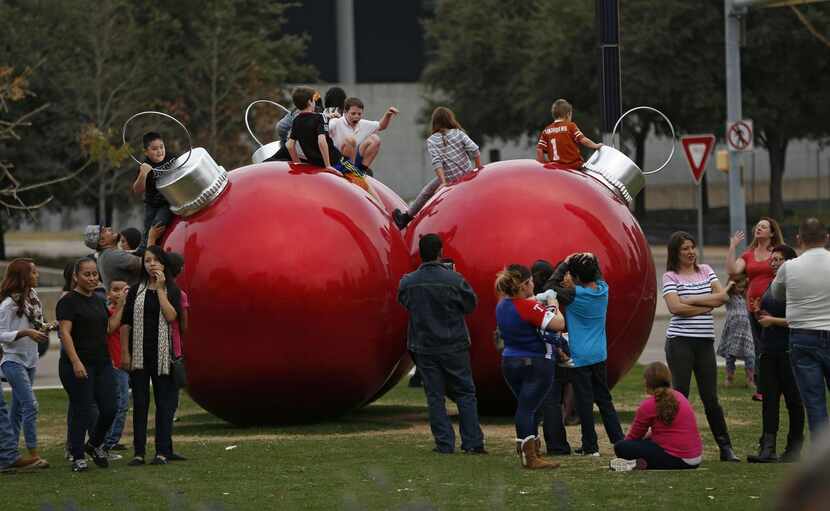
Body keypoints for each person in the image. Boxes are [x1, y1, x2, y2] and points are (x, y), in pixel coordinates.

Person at [397, 233, 484, 455]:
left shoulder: (408, 282)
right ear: (440, 253)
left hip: (424, 346)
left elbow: (403, 301)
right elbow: (470, 305)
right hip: (454, 344)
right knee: (465, 393)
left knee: (434, 396)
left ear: (421, 254)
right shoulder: (455, 280)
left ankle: (444, 443)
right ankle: (473, 442)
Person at [662, 231, 740, 462]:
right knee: (681, 396)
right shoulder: (670, 276)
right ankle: (674, 446)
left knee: (711, 398)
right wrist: (706, 306)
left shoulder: (706, 270)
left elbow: (723, 298)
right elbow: (675, 309)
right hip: (679, 342)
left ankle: (726, 448)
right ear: (676, 253)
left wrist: (690, 300)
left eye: (692, 247)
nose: (690, 252)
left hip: (704, 342)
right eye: (685, 249)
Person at [495, 264, 566, 469]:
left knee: (527, 406)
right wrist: (553, 303)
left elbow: (523, 308)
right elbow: (558, 324)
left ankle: (530, 449)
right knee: (528, 408)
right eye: (531, 282)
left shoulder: (502, 305)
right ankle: (530, 456)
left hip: (510, 361)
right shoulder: (527, 307)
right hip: (535, 362)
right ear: (525, 284)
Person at [57, 257, 124, 472]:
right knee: (82, 409)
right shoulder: (68, 301)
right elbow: (64, 333)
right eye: (87, 274)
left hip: (102, 363)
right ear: (76, 276)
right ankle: (78, 455)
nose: (93, 278)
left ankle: (94, 444)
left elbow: (109, 328)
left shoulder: (98, 299)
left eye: (95, 274)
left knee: (111, 408)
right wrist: (76, 362)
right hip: (77, 364)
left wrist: (121, 306)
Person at [120, 246, 183, 466]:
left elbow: (171, 315)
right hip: (138, 354)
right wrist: (125, 352)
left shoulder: (173, 290)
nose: (152, 264)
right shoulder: (136, 289)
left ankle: (162, 451)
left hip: (162, 355)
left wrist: (161, 289)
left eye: (156, 260)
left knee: (164, 404)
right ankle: (139, 452)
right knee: (140, 403)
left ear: (164, 264)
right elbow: (125, 323)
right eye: (147, 260)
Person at [559, 253, 624, 456]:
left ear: (576, 277)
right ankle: (619, 441)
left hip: (580, 356)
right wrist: (591, 258)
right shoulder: (604, 290)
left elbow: (550, 287)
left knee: (585, 402)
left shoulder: (572, 294)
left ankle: (590, 446)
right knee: (604, 400)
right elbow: (598, 275)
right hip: (599, 354)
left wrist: (564, 264)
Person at [769, 218, 830, 437]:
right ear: (827, 238)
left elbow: (776, 295)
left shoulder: (789, 267)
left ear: (799, 240)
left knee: (815, 404)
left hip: (802, 336)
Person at [749, 244, 804, 463]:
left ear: (790, 263)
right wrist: (758, 314)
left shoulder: (795, 286)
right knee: (769, 400)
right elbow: (767, 319)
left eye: (778, 260)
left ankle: (794, 448)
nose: (773, 263)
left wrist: (772, 321)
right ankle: (767, 448)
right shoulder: (772, 284)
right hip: (768, 351)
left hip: (789, 351)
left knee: (793, 400)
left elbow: (798, 320)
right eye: (772, 260)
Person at [392, 107, 482, 230]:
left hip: (449, 178)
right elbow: (475, 150)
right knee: (430, 191)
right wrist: (478, 169)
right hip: (466, 175)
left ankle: (406, 218)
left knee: (426, 193)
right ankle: (407, 218)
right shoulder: (458, 133)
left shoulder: (432, 140)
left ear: (435, 122)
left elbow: (437, 163)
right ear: (450, 120)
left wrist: (444, 182)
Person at [0, 259, 52, 468]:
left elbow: (36, 323)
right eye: (33, 273)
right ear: (23, 277)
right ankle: (34, 453)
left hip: (31, 360)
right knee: (31, 405)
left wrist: (45, 328)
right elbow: (1, 334)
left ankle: (10, 454)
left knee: (18, 409)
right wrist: (25, 332)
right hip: (12, 360)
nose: (37, 276)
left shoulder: (33, 297)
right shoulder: (8, 305)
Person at [726, 217, 784, 401]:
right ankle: (762, 389)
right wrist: (732, 246)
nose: (758, 228)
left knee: (776, 347)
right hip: (753, 307)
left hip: (773, 306)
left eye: (763, 227)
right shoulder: (748, 254)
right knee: (759, 349)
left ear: (772, 232)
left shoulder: (777, 252)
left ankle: (781, 387)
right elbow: (733, 271)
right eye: (757, 226)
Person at [285, 86, 377, 197]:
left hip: (315, 164)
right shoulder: (319, 118)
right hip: (336, 162)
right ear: (310, 102)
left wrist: (298, 163)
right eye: (314, 100)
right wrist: (328, 165)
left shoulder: (296, 121)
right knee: (364, 180)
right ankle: (385, 211)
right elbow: (321, 141)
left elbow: (290, 145)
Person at [610, 362, 702, 471]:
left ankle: (642, 463)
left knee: (621, 447)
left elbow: (633, 437)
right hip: (695, 459)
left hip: (676, 459)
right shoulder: (680, 396)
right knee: (647, 443)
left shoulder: (648, 405)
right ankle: (640, 463)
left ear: (647, 382)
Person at [328, 96, 399, 175]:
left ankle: (362, 171)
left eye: (359, 114)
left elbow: (381, 126)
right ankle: (349, 171)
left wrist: (388, 115)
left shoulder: (362, 124)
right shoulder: (336, 122)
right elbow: (322, 131)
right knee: (351, 140)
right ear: (345, 112)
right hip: (338, 161)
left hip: (354, 160)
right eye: (353, 113)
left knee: (375, 139)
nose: (356, 116)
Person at [132, 131, 177, 253]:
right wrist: (143, 174)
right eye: (154, 149)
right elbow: (137, 190)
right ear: (146, 152)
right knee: (147, 230)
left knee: (157, 225)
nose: (160, 151)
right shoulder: (145, 165)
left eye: (161, 147)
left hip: (167, 201)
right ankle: (141, 252)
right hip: (151, 203)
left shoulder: (171, 158)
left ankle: (151, 251)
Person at [84, 224, 163, 291]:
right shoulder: (112, 255)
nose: (110, 229)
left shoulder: (105, 255)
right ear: (102, 241)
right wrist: (152, 238)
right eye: (105, 231)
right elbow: (148, 264)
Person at [102, 280, 130, 456]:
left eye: (123, 290)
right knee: (118, 403)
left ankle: (113, 439)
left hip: (125, 364)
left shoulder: (128, 311)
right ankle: (108, 441)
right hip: (114, 364)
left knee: (123, 404)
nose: (119, 293)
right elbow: (109, 329)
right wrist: (121, 305)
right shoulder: (110, 312)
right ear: (109, 295)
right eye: (115, 290)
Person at [535, 99, 602, 169]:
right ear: (568, 114)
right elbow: (583, 140)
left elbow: (539, 150)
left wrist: (544, 165)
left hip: (555, 168)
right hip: (573, 166)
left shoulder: (546, 130)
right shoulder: (570, 126)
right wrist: (596, 146)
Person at [716, 274, 755, 390]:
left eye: (743, 287)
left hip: (746, 331)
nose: (741, 289)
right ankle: (729, 377)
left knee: (750, 355)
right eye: (738, 287)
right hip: (733, 330)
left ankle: (750, 379)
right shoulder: (729, 297)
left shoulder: (745, 296)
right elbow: (720, 296)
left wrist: (747, 282)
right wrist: (729, 286)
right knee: (730, 355)